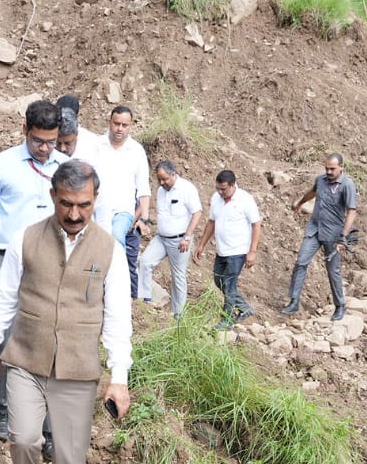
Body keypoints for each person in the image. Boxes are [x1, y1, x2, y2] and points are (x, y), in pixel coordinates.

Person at [0, 159, 131, 464]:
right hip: (27, 359)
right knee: (24, 436)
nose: (75, 213)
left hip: (78, 370)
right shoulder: (25, 239)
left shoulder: (109, 250)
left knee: (68, 452)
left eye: (84, 204)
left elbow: (118, 316)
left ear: (95, 199)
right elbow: (5, 298)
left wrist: (119, 376)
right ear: (53, 198)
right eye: (66, 203)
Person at [0, 99, 66, 453]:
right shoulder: (2, 165)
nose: (44, 148)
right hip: (10, 260)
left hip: (54, 262)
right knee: (6, 336)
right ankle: (1, 411)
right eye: (38, 140)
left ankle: (50, 430)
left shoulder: (67, 169)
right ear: (25, 130)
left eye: (51, 141)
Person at [282, 154, 358, 322]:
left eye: (332, 169)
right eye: (327, 168)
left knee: (333, 270)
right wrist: (301, 203)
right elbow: (313, 192)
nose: (329, 172)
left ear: (341, 167)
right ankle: (294, 301)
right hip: (314, 228)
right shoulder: (321, 180)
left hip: (333, 233)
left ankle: (340, 306)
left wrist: (343, 237)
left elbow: (351, 211)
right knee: (301, 261)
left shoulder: (347, 185)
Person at [92, 105, 151, 297]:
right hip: (97, 208)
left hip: (123, 210)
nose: (120, 128)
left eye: (124, 125)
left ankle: (117, 290)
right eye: (116, 124)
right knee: (97, 244)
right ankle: (95, 288)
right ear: (110, 122)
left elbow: (143, 188)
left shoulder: (136, 151)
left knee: (116, 238)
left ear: (131, 126)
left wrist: (143, 217)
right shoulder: (96, 145)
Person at [194, 170, 261, 330]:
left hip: (238, 251)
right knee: (219, 281)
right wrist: (202, 244)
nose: (220, 192)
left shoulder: (245, 199)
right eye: (218, 188)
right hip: (221, 250)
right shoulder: (216, 199)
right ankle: (244, 308)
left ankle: (227, 319)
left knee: (230, 285)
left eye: (223, 189)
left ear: (232, 185)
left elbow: (256, 225)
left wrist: (252, 251)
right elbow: (211, 222)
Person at [138, 160, 203, 319]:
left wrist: (187, 237)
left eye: (165, 179)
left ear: (174, 174)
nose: (162, 182)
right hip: (161, 238)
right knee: (145, 261)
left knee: (178, 276)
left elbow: (197, 213)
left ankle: (178, 314)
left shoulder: (187, 189)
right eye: (159, 179)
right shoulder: (161, 190)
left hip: (180, 240)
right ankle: (144, 300)